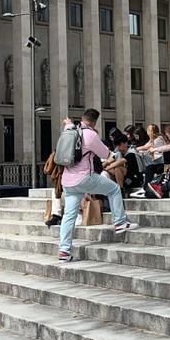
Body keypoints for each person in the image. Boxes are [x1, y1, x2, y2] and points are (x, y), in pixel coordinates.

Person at [57, 108, 139, 262]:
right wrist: (111, 155)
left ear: (82, 118)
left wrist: (67, 122)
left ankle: (64, 250)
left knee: (69, 216)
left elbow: (67, 124)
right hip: (85, 178)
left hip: (67, 180)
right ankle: (120, 223)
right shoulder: (90, 134)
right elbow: (105, 154)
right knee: (114, 189)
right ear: (94, 122)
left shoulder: (70, 129)